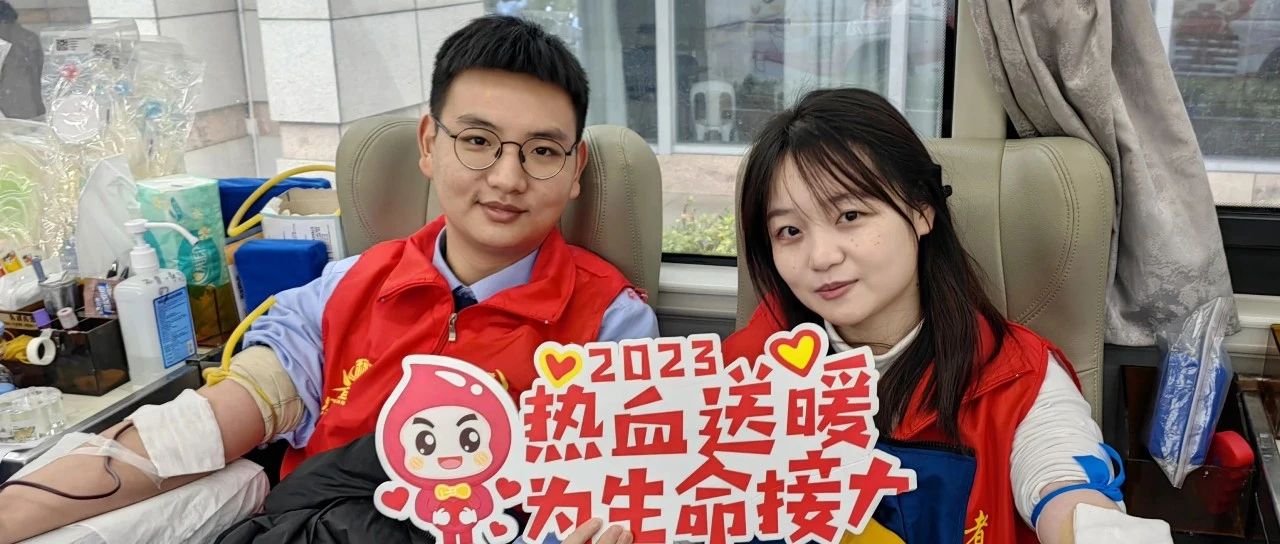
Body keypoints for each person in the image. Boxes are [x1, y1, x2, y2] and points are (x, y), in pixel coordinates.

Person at [0, 16, 649, 544]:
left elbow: (603, 502)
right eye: (478, 141)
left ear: (575, 170)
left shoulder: (611, 326)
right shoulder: (342, 290)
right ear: (429, 144)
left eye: (542, 151)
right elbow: (199, 430)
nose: (508, 178)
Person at [724, 88, 1172, 543]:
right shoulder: (741, 372)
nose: (821, 256)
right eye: (790, 230)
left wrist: (1093, 525)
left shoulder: (1018, 380)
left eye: (850, 215)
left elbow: (1065, 483)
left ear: (921, 209)